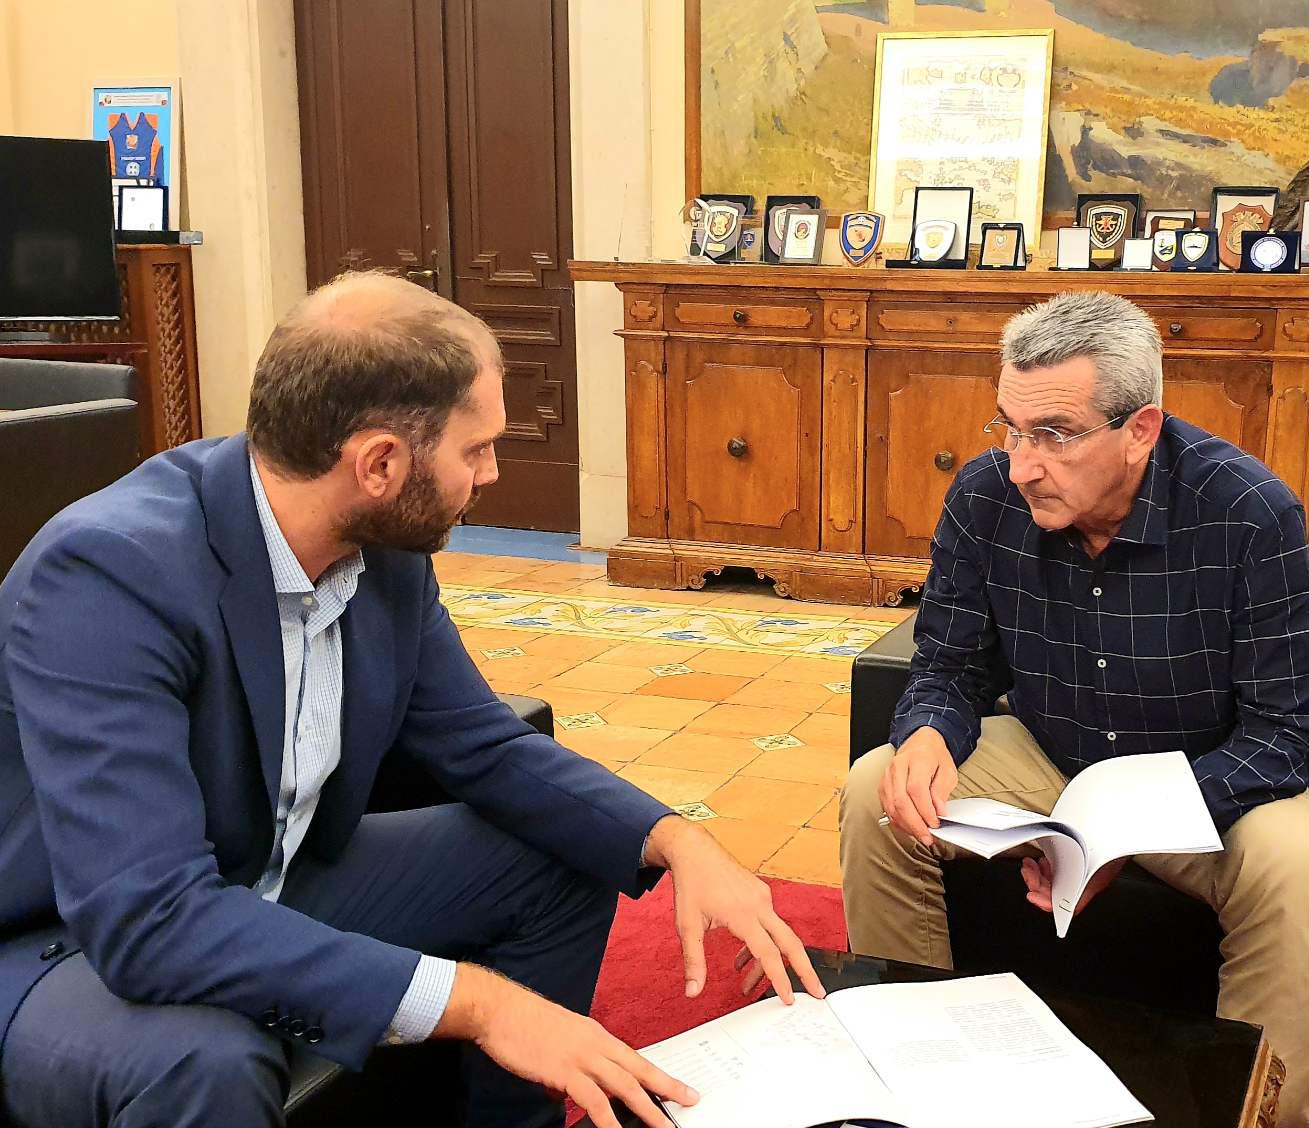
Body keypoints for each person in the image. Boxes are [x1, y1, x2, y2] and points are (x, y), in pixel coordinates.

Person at [0, 271, 823, 1128]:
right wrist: (483, 1005)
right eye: (476, 450)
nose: (492, 472)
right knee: (204, 1063)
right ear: (381, 464)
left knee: (561, 858)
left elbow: (483, 743)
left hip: (264, 874)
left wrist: (677, 840)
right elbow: (147, 918)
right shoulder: (110, 574)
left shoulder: (380, 548)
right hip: (63, 937)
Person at [840, 291, 1309, 1128]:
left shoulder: (1250, 512)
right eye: (1010, 429)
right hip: (1049, 754)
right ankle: (914, 1079)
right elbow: (951, 663)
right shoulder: (984, 496)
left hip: (1202, 779)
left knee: (1297, 869)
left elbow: (1286, 733)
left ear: (1140, 430)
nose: (1022, 465)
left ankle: (1260, 1115)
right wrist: (926, 729)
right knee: (876, 789)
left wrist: (1121, 829)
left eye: (1054, 435)